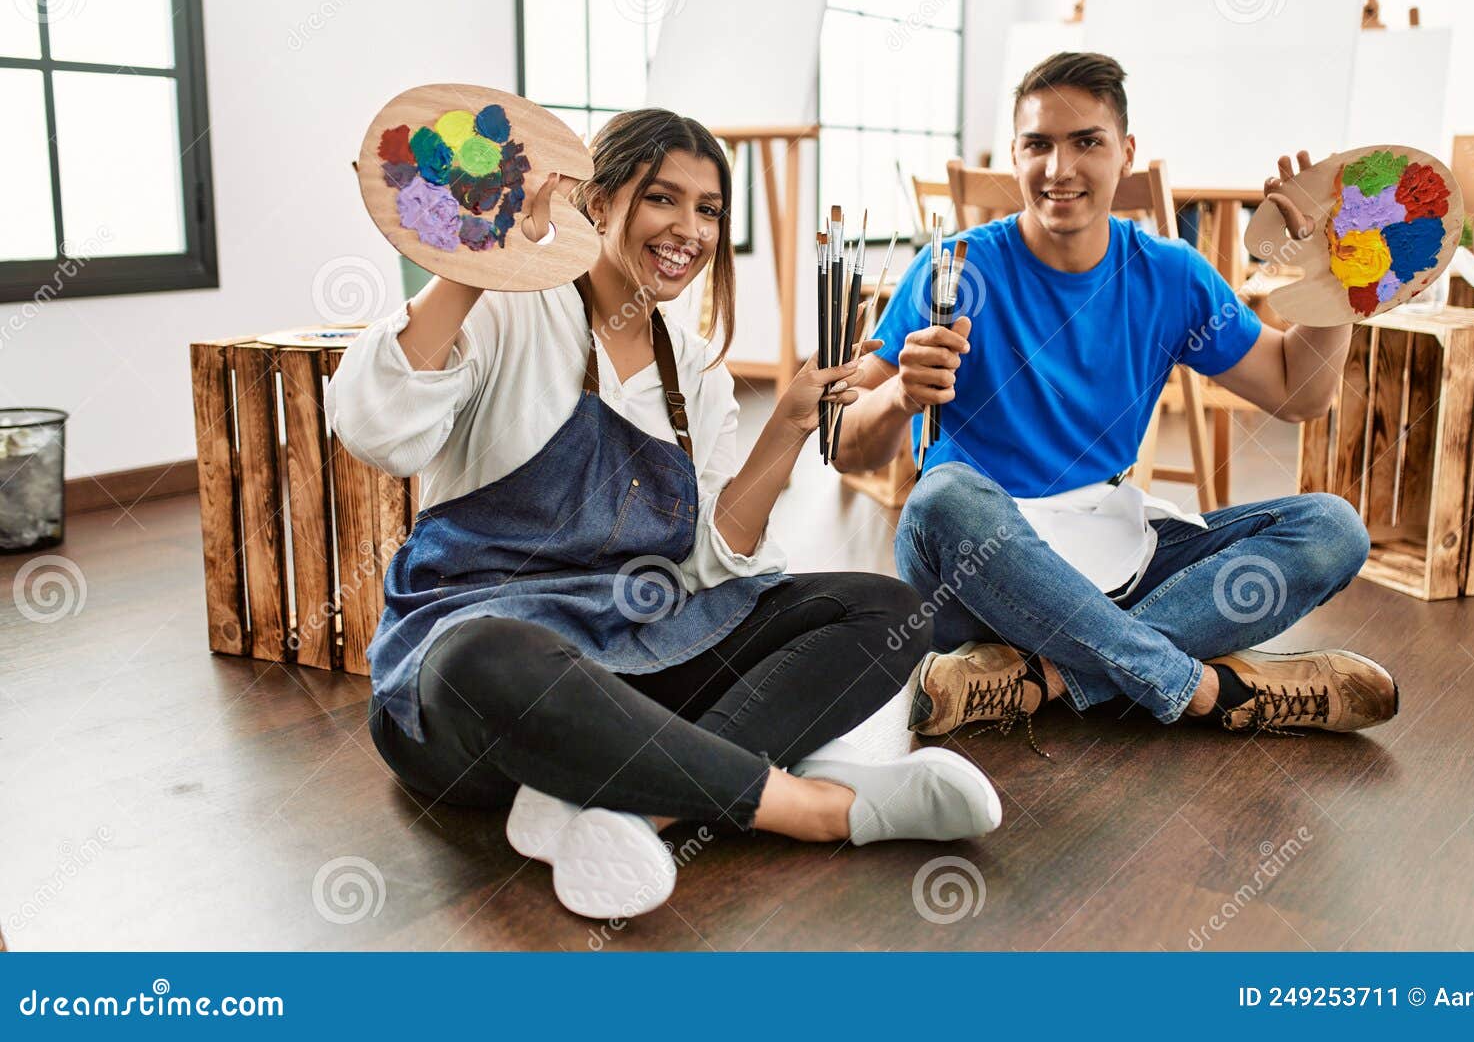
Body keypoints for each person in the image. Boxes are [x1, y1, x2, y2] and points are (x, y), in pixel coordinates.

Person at [327, 107, 1001, 922]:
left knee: (885, 607)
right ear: (598, 200)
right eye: (662, 198)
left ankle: (640, 810)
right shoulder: (509, 308)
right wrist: (476, 261)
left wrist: (789, 425)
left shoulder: (697, 374)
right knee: (485, 653)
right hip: (485, 693)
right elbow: (374, 429)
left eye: (709, 209)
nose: (690, 229)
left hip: (630, 655)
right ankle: (818, 806)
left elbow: (709, 564)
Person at [831, 52, 1399, 744]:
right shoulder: (954, 269)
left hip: (1117, 547)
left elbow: (1297, 391)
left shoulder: (1170, 274)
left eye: (1086, 142)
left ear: (1126, 153)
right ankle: (1206, 689)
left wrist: (1334, 275)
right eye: (1038, 144)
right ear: (1014, 155)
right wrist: (898, 395)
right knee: (941, 496)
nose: (1059, 168)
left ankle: (1046, 678)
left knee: (1333, 528)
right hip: (980, 575)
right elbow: (846, 446)